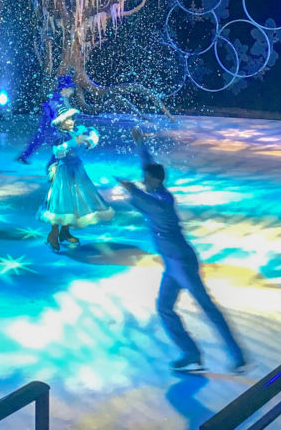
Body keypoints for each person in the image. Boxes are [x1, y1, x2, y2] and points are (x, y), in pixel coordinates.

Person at [119, 127, 247, 373]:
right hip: (172, 263)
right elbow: (148, 165)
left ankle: (237, 355)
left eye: (147, 180)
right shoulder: (154, 189)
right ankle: (190, 353)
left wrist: (131, 189)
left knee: (207, 307)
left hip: (183, 262)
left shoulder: (162, 201)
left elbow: (146, 201)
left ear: (156, 181)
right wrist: (140, 142)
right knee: (164, 308)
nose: (143, 181)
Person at [38, 107, 113, 251]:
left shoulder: (76, 131)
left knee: (72, 200)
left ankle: (64, 232)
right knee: (60, 201)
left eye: (72, 118)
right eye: (67, 119)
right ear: (60, 122)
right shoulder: (58, 136)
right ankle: (53, 234)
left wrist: (89, 139)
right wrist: (75, 142)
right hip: (64, 170)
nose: (71, 121)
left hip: (76, 169)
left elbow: (91, 135)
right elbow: (58, 152)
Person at [17, 74, 75, 164]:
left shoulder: (61, 98)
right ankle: (51, 167)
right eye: (71, 89)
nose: (72, 92)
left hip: (48, 127)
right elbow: (56, 115)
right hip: (50, 128)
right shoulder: (56, 99)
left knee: (38, 141)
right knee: (60, 146)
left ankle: (24, 157)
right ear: (64, 89)